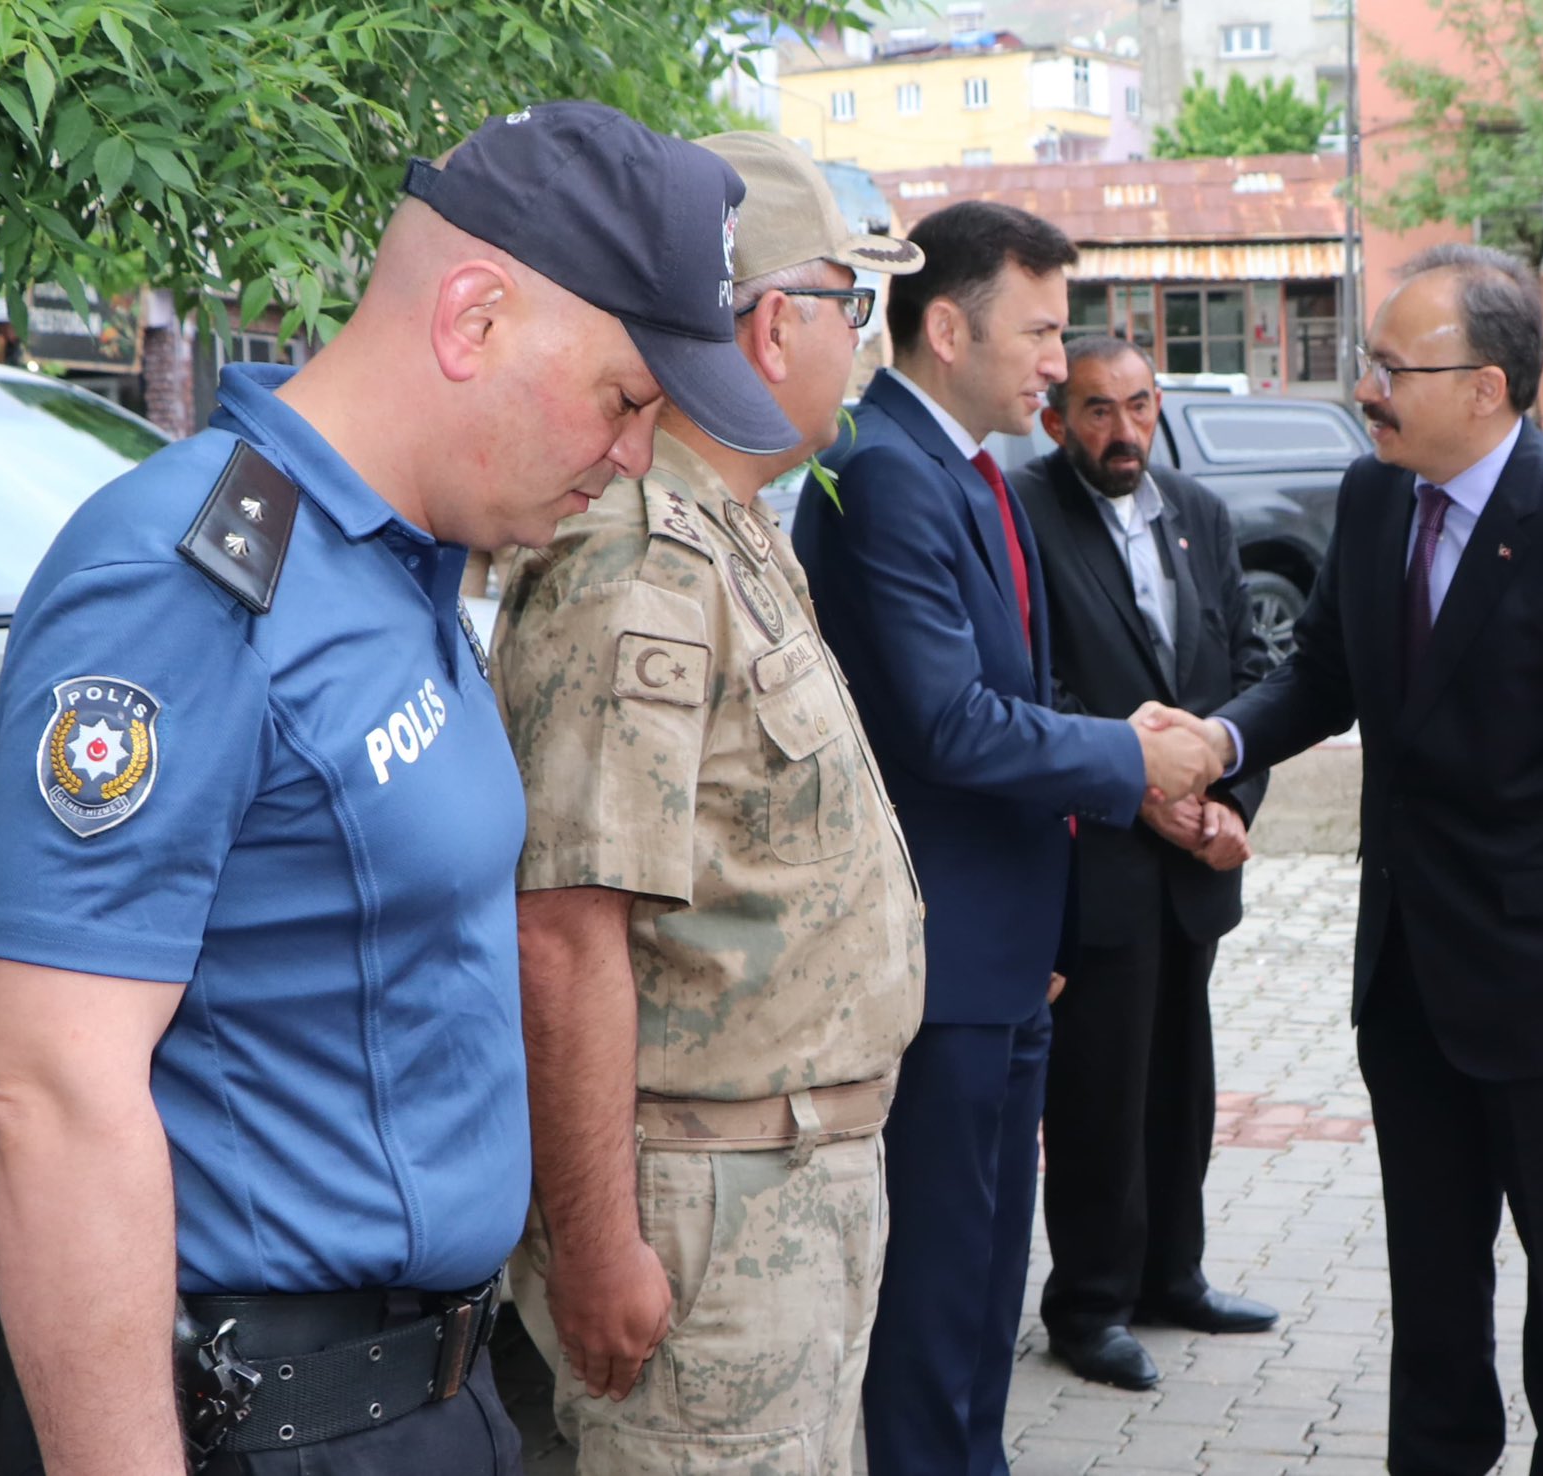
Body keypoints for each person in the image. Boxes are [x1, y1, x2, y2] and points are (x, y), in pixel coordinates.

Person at [0, 101, 797, 1476]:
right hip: (269, 1420)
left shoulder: (396, 566)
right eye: (625, 398)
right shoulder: (186, 582)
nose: (635, 456)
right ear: (472, 319)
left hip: (424, 1398)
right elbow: (47, 1090)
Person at [1176, 243, 1543, 1475]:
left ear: (1484, 387)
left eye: (1390, 368)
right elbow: (1322, 670)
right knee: (1430, 1292)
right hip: (1409, 984)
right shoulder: (1373, 498)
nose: (1367, 389)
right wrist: (1217, 737)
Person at [487, 129, 926, 1475]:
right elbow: (564, 930)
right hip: (703, 1203)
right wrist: (605, 1242)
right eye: (860, 307)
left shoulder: (731, 530)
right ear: (778, 320)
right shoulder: (641, 561)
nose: (870, 344)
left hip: (786, 1176)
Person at [790, 202, 1223, 1475]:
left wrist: (1112, 738)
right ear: (944, 325)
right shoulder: (882, 469)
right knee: (935, 1285)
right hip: (936, 950)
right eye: (1036, 331)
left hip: (1004, 941)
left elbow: (1009, 693)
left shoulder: (964, 469)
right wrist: (1127, 762)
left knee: (983, 1276)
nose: (1056, 361)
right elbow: (944, 724)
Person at [1011, 335, 1278, 1393]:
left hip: (1193, 867)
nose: (1122, 432)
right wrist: (1144, 792)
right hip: (1099, 863)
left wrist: (1224, 802)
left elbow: (1247, 673)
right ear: (1053, 421)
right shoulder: (1026, 517)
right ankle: (1088, 1305)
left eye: (1136, 406)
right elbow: (1037, 690)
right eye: (1094, 411)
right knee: (1096, 1096)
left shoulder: (1197, 514)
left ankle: (1173, 1276)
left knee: (1180, 1085)